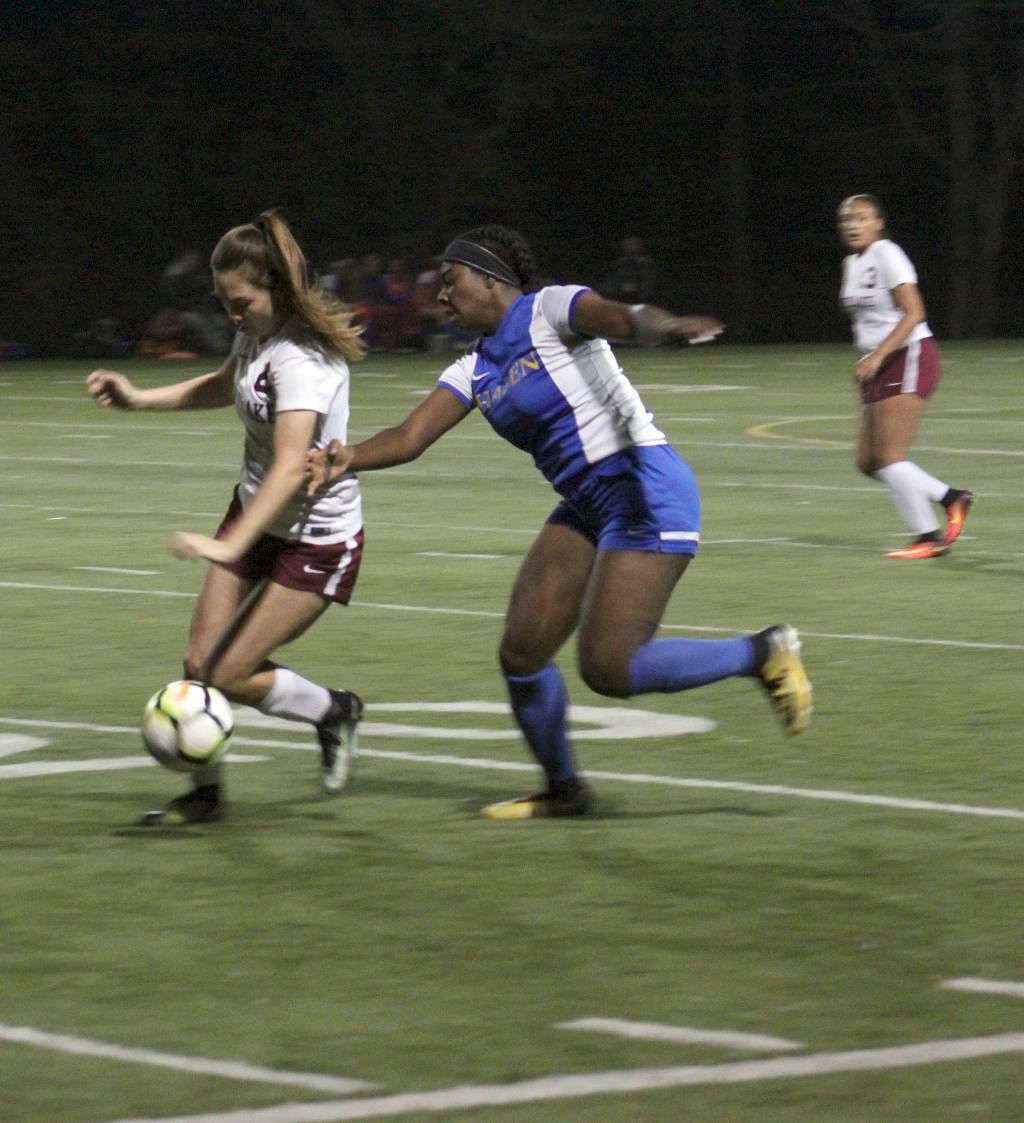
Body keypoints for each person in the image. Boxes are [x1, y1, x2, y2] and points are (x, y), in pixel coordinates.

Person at [306, 224, 812, 821]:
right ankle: (564, 791)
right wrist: (346, 458)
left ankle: (759, 652)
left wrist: (666, 327)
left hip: (640, 487)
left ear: (491, 277)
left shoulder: (548, 309)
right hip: (586, 504)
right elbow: (409, 437)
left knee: (610, 667)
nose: (441, 296)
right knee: (523, 650)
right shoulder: (474, 368)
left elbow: (622, 317)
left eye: (451, 281)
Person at [86, 211, 366, 824]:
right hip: (253, 514)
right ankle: (205, 798)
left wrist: (228, 544)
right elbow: (223, 384)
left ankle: (333, 711)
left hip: (316, 538)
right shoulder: (258, 335)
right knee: (198, 666)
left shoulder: (304, 358)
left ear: (277, 291)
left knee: (231, 674)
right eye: (223, 303)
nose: (230, 315)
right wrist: (138, 400)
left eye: (239, 302)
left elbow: (293, 465)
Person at [837, 194, 973, 559]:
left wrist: (880, 355)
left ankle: (928, 534)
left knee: (890, 457)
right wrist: (865, 366)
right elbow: (866, 323)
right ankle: (950, 498)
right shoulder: (852, 262)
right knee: (868, 461)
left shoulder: (887, 253)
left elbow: (913, 313)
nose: (852, 225)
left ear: (878, 223)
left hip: (908, 354)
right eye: (846, 219)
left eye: (861, 218)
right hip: (878, 364)